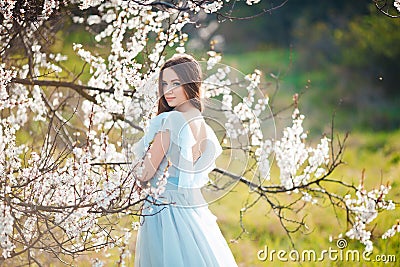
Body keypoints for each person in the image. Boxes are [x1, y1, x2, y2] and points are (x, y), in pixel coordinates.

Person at [133, 53, 238, 267]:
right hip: (192, 210)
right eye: (164, 83)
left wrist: (131, 169)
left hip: (164, 211)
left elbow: (145, 172)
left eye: (176, 83)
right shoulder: (202, 125)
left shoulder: (171, 120)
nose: (167, 90)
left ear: (190, 85)